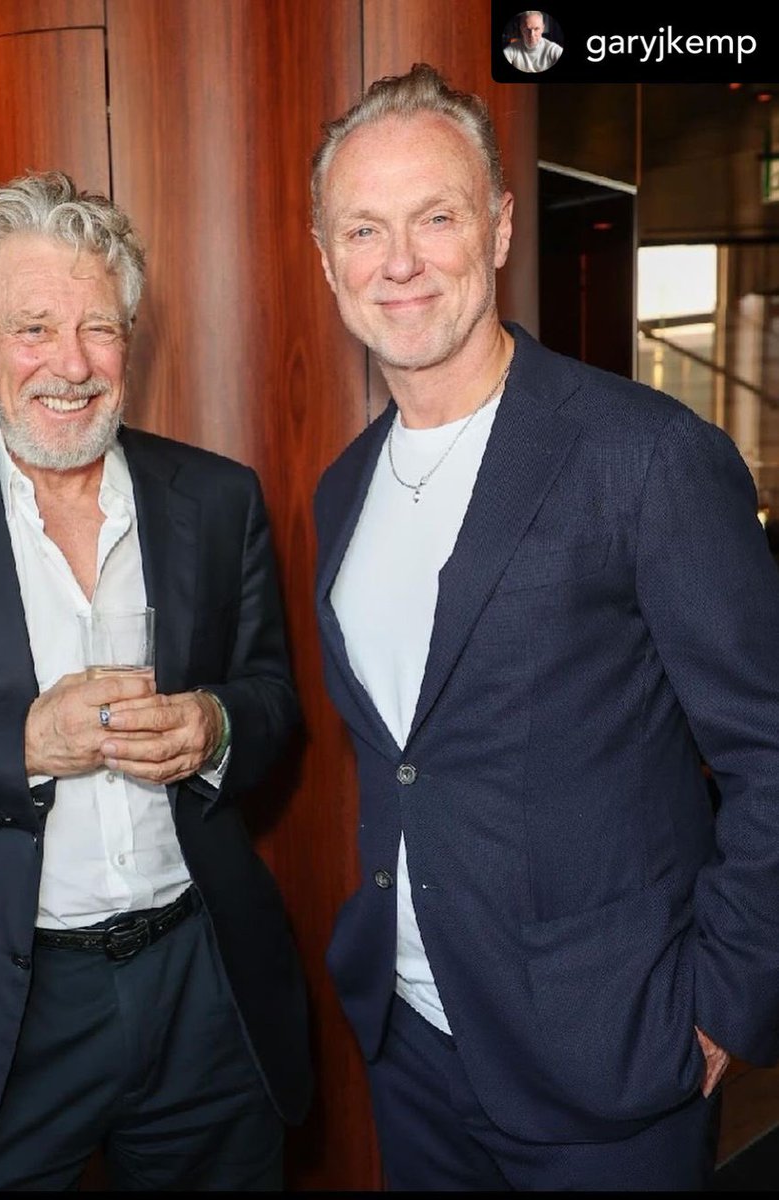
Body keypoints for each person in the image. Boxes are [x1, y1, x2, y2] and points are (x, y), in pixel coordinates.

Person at [309, 62, 779, 1191]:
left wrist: (720, 1005)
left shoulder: (647, 457)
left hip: (612, 1058)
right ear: (328, 259)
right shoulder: (341, 489)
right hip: (412, 1047)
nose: (401, 261)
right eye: (364, 229)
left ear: (502, 226)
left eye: (436, 216)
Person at [0, 171, 311, 1191]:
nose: (70, 366)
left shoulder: (217, 498)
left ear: (131, 339)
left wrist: (213, 726)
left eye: (99, 328)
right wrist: (23, 744)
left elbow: (274, 704)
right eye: (33, 328)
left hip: (200, 982)